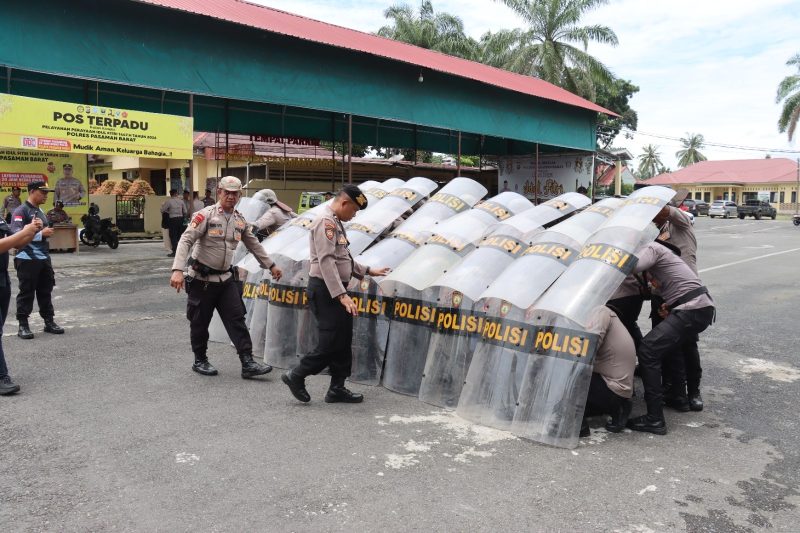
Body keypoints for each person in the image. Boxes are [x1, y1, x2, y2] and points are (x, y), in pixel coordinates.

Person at [281, 185, 390, 404]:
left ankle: (337, 388)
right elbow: (326, 261)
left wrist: (368, 270)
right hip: (326, 290)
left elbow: (343, 258)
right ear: (344, 203)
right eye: (354, 210)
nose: (355, 215)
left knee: (343, 339)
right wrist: (341, 295)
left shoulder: (336, 222)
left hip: (335, 289)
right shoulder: (326, 222)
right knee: (330, 341)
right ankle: (297, 375)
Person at [169, 176, 283, 378]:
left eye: (235, 193)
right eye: (227, 192)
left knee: (237, 319)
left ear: (240, 195)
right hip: (202, 280)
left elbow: (254, 244)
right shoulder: (205, 215)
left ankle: (247, 362)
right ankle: (200, 360)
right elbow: (186, 240)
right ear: (219, 192)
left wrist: (271, 265)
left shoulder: (239, 220)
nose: (230, 196)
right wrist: (177, 269)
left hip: (225, 280)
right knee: (200, 322)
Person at [626, 241, 715, 435]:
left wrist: (608, 255)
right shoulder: (656, 263)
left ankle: (655, 419)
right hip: (696, 307)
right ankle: (677, 396)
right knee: (669, 349)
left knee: (648, 349)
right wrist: (670, 305)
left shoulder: (653, 248)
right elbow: (661, 289)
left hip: (693, 308)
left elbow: (630, 266)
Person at [651, 198, 704, 412]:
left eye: (654, 213)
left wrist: (649, 202)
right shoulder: (657, 230)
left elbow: (668, 211)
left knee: (688, 345)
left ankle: (694, 391)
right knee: (664, 345)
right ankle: (672, 389)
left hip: (685, 295)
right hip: (662, 294)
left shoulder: (681, 223)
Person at [10, 181, 65, 339]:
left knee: (45, 290)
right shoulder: (21, 211)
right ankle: (23, 325)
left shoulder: (39, 211)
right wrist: (41, 234)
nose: (46, 196)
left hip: (43, 258)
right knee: (26, 292)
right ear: (32, 191)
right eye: (43, 192)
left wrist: (44, 232)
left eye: (47, 193)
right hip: (27, 259)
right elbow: (16, 235)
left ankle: (49, 321)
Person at [0, 216, 44, 394]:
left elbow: (16, 244)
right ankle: (1, 376)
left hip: (2, 279)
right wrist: (24, 232)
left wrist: (31, 232)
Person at [581, 305, 636, 437]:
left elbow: (587, 349)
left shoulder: (599, 312)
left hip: (614, 388)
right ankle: (614, 407)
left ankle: (577, 425)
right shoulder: (599, 313)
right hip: (608, 382)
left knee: (568, 373)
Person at [161, 189, 186, 257]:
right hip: (180, 219)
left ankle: (175, 251)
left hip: (173, 220)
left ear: (171, 194)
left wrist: (169, 211)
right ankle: (181, 251)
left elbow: (162, 210)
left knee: (173, 236)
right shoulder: (181, 201)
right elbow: (185, 211)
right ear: (176, 193)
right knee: (179, 235)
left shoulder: (169, 202)